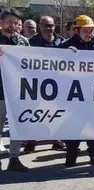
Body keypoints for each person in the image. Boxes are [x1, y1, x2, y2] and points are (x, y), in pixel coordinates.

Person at [58, 15, 94, 167]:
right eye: (86, 31)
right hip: (73, 94)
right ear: (77, 30)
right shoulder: (65, 46)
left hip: (93, 93)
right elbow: (53, 65)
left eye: (92, 30)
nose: (89, 34)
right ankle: (71, 154)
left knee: (93, 125)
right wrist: (65, 55)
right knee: (72, 126)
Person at [25, 15, 66, 152]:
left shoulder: (62, 42)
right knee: (35, 112)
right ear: (39, 26)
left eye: (51, 26)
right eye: (45, 25)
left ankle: (57, 140)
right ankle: (31, 140)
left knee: (56, 112)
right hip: (36, 83)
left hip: (57, 83)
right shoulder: (31, 42)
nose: (49, 28)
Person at [0, 9, 32, 172]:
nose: (12, 25)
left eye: (15, 22)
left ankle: (14, 158)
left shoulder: (23, 42)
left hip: (18, 92)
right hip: (0, 92)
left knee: (17, 127)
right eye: (9, 22)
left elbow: (32, 63)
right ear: (1, 23)